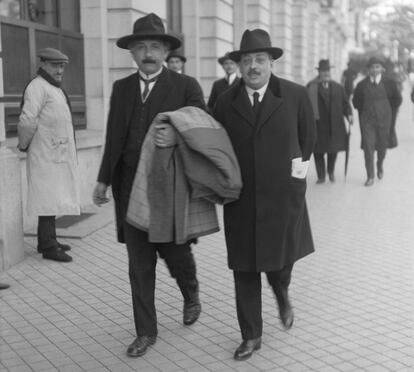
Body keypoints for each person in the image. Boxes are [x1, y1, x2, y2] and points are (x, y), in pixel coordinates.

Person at [92, 13, 206, 358]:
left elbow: (201, 128)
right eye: (141, 46)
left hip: (168, 190)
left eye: (155, 46)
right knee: (139, 264)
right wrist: (103, 179)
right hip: (129, 190)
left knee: (176, 254)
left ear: (165, 50)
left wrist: (177, 131)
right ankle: (146, 332)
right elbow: (114, 136)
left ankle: (190, 292)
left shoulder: (186, 87)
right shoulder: (121, 89)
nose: (148, 53)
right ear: (132, 53)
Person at [213, 29, 316, 361]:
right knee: (244, 267)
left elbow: (307, 139)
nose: (253, 66)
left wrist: (295, 178)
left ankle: (282, 291)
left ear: (271, 62)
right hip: (241, 200)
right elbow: (215, 147)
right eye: (247, 60)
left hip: (283, 197)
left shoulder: (296, 95)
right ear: (239, 65)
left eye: (260, 59)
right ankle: (251, 335)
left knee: (280, 262)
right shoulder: (224, 102)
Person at [18, 48, 79, 263]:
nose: (60, 70)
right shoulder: (37, 88)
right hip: (44, 153)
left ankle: (48, 240)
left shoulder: (53, 88)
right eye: (55, 65)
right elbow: (27, 120)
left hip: (54, 153)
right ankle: (48, 247)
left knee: (52, 198)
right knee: (46, 199)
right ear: (43, 64)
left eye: (62, 66)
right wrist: (23, 145)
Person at [352, 56, 402, 186]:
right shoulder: (361, 85)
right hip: (367, 122)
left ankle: (379, 165)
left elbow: (397, 100)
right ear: (368, 70)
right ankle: (370, 176)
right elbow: (356, 102)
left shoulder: (390, 83)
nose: (375, 70)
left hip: (385, 121)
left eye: (377, 67)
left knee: (382, 148)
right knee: (368, 149)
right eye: (372, 67)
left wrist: (388, 112)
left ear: (382, 69)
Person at [307, 59, 353, 183]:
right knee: (318, 152)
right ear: (319, 72)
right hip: (317, 125)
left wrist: (349, 114)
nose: (325, 73)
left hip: (335, 124)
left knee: (333, 151)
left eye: (327, 71)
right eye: (323, 71)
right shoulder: (311, 87)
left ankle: (331, 172)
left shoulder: (338, 87)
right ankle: (321, 176)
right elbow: (305, 106)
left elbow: (345, 103)